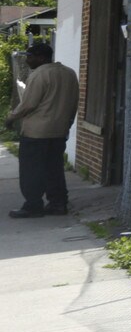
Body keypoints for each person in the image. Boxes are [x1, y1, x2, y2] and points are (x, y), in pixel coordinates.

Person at [9, 40, 79, 218]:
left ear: (41, 57)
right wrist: (68, 124)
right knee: (54, 168)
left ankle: (33, 205)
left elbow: (29, 104)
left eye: (30, 56)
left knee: (32, 170)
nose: (27, 60)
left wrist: (11, 118)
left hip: (36, 132)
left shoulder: (39, 75)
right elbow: (74, 102)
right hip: (59, 130)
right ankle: (58, 203)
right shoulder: (69, 73)